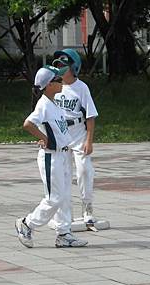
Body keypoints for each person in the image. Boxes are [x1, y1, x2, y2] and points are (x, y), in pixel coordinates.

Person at [15, 65, 88, 248]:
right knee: (53, 198)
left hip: (63, 155)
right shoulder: (44, 105)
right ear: (48, 85)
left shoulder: (54, 103)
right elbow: (28, 124)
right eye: (57, 80)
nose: (61, 81)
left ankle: (64, 234)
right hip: (51, 157)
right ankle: (27, 223)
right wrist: (44, 138)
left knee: (63, 197)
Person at [51, 49, 99, 229]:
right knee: (62, 175)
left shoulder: (81, 87)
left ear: (74, 68)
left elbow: (90, 116)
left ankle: (87, 208)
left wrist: (89, 140)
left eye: (64, 65)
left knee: (84, 170)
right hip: (61, 134)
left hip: (78, 133)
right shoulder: (54, 85)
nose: (60, 69)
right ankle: (65, 213)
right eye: (58, 65)